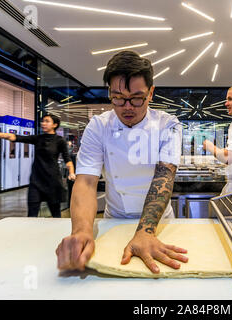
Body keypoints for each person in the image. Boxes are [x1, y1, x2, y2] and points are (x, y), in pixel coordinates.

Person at [55, 50, 188, 274]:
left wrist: (146, 232)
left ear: (151, 93)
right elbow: (86, 182)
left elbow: (164, 178)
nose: (127, 106)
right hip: (114, 221)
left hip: (160, 225)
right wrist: (82, 231)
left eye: (136, 98)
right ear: (109, 92)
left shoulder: (168, 125)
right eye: (118, 97)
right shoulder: (98, 126)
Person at [0, 114, 76, 218]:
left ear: (55, 125)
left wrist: (71, 172)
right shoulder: (38, 138)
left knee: (55, 214)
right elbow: (14, 137)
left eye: (47, 121)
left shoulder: (60, 141)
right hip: (36, 181)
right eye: (42, 121)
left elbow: (67, 159)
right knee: (32, 214)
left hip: (53, 181)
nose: (43, 123)